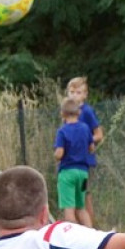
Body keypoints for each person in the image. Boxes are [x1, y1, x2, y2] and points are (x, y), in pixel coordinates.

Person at [67, 77, 104, 225]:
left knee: (84, 196)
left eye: (78, 92)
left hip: (84, 162)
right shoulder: (68, 112)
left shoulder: (87, 111)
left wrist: (87, 141)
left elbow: (99, 134)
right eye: (71, 92)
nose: (74, 95)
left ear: (85, 95)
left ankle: (91, 230)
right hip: (70, 161)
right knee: (75, 199)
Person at [54, 97, 94, 227]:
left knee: (69, 211)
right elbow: (91, 148)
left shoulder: (62, 131)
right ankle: (91, 236)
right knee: (81, 208)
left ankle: (73, 240)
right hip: (83, 174)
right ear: (79, 113)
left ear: (62, 113)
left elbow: (59, 154)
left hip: (67, 174)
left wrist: (55, 154)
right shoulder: (85, 128)